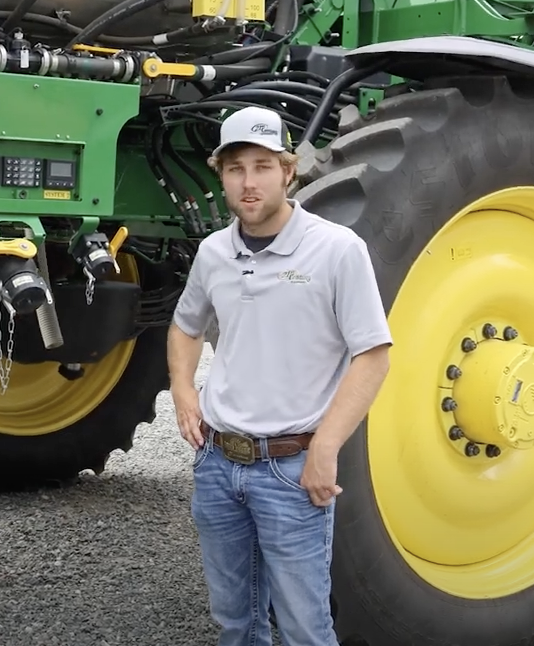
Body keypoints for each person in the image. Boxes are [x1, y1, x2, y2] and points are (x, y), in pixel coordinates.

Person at [166, 105, 392, 646]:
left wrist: (326, 447)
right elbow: (184, 327)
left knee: (304, 629)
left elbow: (374, 355)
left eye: (263, 166)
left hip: (292, 472)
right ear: (219, 173)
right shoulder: (213, 252)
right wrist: (181, 390)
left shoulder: (337, 250)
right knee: (235, 622)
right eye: (236, 167)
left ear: (289, 172)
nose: (249, 182)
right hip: (218, 466)